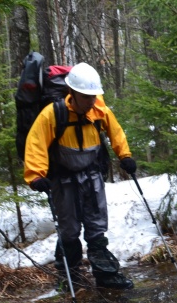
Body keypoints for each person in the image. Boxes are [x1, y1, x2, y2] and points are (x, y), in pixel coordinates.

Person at [24, 62, 137, 290]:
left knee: (96, 227)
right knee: (69, 230)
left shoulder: (99, 112)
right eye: (86, 97)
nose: (91, 101)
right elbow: (35, 143)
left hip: (92, 177)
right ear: (73, 93)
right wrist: (36, 175)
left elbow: (116, 132)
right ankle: (69, 278)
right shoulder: (53, 114)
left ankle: (106, 276)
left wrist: (124, 156)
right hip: (63, 181)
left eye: (94, 96)